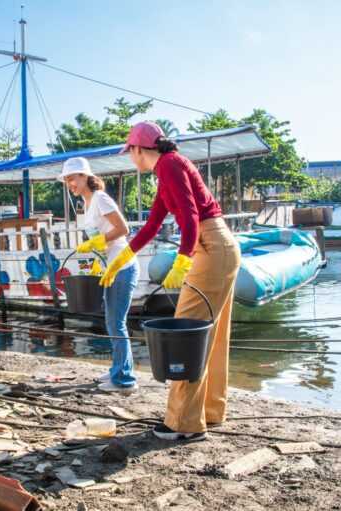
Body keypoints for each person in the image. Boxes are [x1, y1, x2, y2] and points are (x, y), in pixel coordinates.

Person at [100, 122, 241, 440]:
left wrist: (183, 260)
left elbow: (190, 217)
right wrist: (122, 259)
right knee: (211, 336)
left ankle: (184, 424)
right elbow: (151, 226)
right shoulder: (167, 171)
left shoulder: (170, 165)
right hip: (220, 245)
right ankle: (209, 411)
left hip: (209, 245)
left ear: (139, 148)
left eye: (130, 151)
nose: (130, 157)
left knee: (187, 334)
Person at [59, 156, 139, 393]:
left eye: (72, 178)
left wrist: (96, 241)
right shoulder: (87, 203)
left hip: (123, 267)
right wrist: (95, 252)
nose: (69, 183)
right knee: (112, 322)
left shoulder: (101, 198)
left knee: (117, 323)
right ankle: (118, 369)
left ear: (85, 176)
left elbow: (123, 229)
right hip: (109, 267)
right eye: (66, 180)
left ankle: (125, 380)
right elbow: (102, 239)